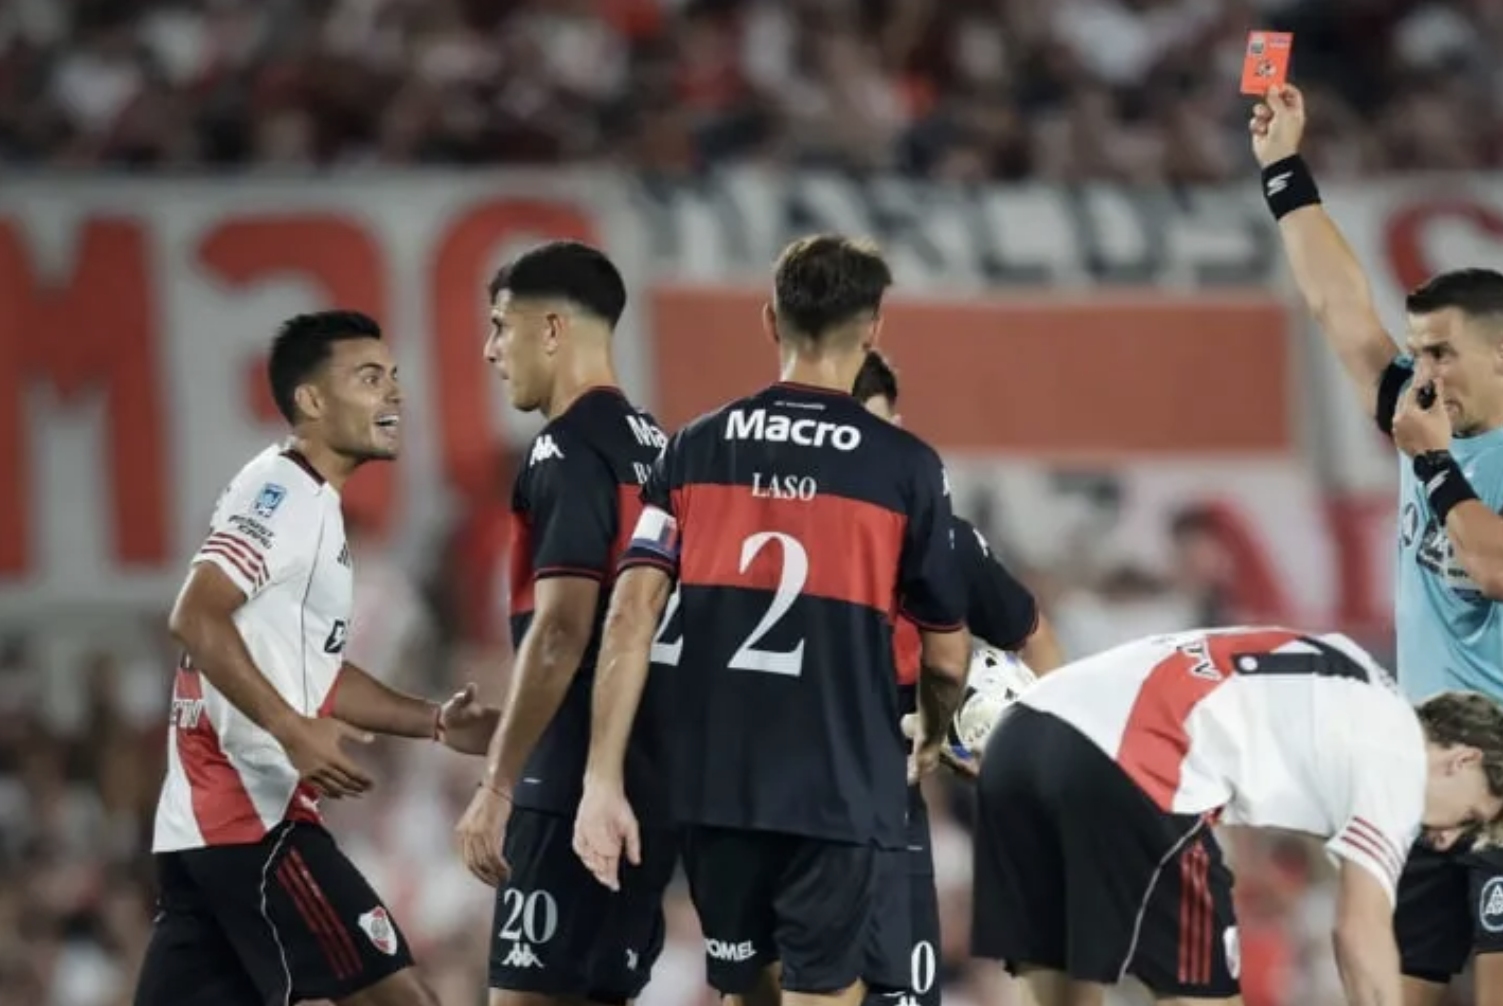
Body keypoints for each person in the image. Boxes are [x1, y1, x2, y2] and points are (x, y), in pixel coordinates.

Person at [1251, 85, 1503, 1006]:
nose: (1423, 371)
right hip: (1419, 755)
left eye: (1441, 353)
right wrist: (1283, 168)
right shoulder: (1419, 414)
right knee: (1389, 989)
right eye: (1418, 351)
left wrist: (1437, 467)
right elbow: (1337, 308)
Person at [573, 235, 972, 1006]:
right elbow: (947, 651)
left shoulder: (694, 448)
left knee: (744, 993)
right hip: (838, 786)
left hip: (716, 785)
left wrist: (602, 778)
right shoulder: (904, 467)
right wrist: (933, 722)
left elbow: (630, 614)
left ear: (769, 321)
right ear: (874, 329)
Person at [133, 310, 499, 1006]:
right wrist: (291, 729)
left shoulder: (312, 508)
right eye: (368, 378)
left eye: (392, 377)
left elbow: (312, 673)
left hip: (209, 828)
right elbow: (194, 616)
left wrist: (434, 722)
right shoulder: (282, 496)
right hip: (254, 820)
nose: (393, 394)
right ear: (312, 400)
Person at [972, 626, 1503, 1006]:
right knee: (1206, 992)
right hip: (1131, 759)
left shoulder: (1351, 667)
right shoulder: (1398, 757)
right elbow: (1360, 931)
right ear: (1461, 758)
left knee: (1066, 992)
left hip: (1021, 733)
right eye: (1468, 816)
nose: (1446, 840)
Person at [449, 241, 679, 1006]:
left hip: (570, 783)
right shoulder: (662, 451)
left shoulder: (565, 449)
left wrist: (501, 779)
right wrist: (513, 722)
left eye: (499, 326)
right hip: (647, 780)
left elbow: (563, 631)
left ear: (551, 329)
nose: (489, 350)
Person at [852, 348, 1064, 1006]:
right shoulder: (766, 533)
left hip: (895, 813)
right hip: (787, 807)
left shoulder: (943, 540)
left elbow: (1038, 644)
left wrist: (1043, 761)